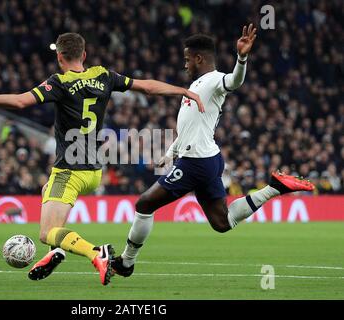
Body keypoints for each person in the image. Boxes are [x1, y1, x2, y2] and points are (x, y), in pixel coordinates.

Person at [0, 32, 204, 286]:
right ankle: (57, 252)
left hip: (69, 169)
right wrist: (184, 90)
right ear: (85, 54)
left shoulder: (60, 82)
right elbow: (147, 86)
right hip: (94, 171)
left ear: (59, 58)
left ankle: (95, 253)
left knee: (47, 232)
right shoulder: (102, 75)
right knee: (49, 196)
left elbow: (20, 102)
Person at [112, 24, 315, 277]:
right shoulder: (197, 84)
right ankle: (275, 187)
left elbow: (234, 81)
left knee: (144, 204)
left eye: (187, 59)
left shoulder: (214, 81)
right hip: (207, 159)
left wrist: (241, 57)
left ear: (199, 58)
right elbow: (190, 127)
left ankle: (126, 262)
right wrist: (171, 152)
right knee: (222, 222)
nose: (185, 65)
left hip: (196, 162)